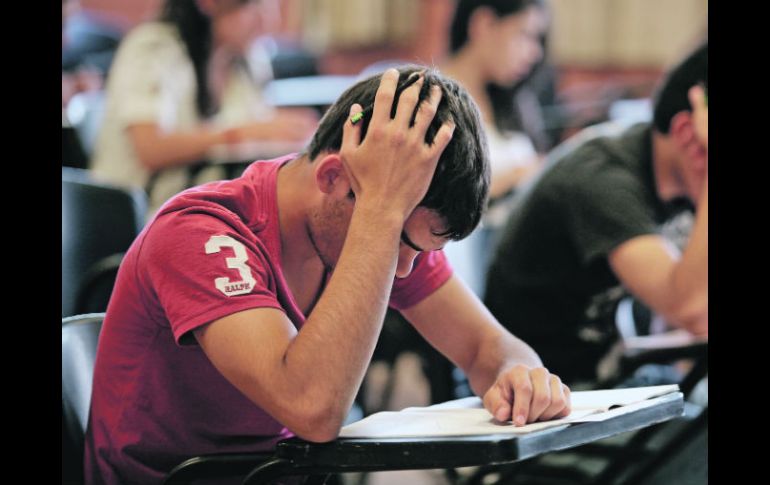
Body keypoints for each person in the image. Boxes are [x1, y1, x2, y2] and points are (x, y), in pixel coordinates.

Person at [84, 66, 573, 484]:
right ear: (333, 178)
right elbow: (311, 407)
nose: (406, 267)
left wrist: (519, 375)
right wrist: (381, 218)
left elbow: (488, 346)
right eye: (400, 239)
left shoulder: (381, 224)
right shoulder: (200, 234)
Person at [484, 43, 708, 386]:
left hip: (613, 379)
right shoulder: (602, 179)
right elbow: (692, 308)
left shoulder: (680, 184)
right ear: (687, 134)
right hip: (545, 396)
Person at [90, 0, 319, 216]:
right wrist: (243, 132)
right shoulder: (152, 47)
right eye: (252, 5)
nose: (268, 20)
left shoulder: (245, 58)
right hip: (137, 209)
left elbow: (254, 128)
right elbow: (151, 148)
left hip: (201, 204)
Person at [439, 0, 551, 295]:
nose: (535, 51)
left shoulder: (515, 103)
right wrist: (515, 177)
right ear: (484, 24)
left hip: (521, 258)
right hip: (464, 266)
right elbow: (431, 200)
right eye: (524, 35)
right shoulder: (433, 101)